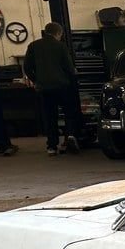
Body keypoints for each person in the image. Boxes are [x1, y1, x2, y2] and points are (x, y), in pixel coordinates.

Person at [24, 22, 82, 155]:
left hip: (44, 88)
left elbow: (27, 67)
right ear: (59, 33)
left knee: (50, 117)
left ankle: (51, 146)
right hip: (62, 86)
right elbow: (69, 68)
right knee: (69, 112)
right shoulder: (61, 46)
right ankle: (70, 136)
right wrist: (73, 75)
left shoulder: (33, 46)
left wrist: (36, 80)